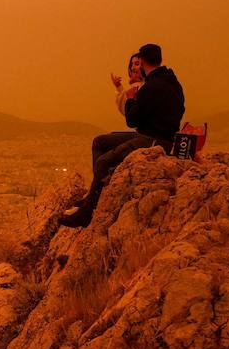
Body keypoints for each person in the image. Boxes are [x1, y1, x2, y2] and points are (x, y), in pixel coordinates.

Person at [58, 43, 185, 228]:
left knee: (103, 161)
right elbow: (178, 109)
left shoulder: (151, 87)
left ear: (141, 62)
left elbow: (132, 119)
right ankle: (94, 195)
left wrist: (132, 98)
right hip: (159, 136)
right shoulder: (173, 83)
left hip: (154, 140)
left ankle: (87, 213)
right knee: (100, 142)